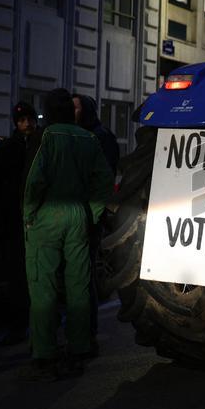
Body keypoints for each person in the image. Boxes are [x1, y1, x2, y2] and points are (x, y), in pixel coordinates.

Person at [21, 89, 113, 381]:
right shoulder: (88, 139)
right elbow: (104, 181)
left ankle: (45, 355)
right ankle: (79, 348)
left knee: (43, 287)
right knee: (78, 286)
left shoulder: (46, 138)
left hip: (47, 217)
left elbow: (34, 181)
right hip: (78, 217)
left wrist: (29, 217)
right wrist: (93, 213)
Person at [71, 93, 118, 352]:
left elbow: (103, 178)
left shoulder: (100, 136)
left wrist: (93, 213)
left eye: (76, 108)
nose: (72, 112)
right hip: (75, 213)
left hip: (89, 216)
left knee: (83, 275)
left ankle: (87, 333)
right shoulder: (75, 135)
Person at [0, 102, 40, 344]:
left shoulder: (39, 144)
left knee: (35, 277)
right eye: (22, 120)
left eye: (29, 119)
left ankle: (34, 325)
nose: (27, 124)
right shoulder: (9, 147)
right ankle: (19, 326)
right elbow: (0, 184)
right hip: (13, 222)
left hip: (34, 220)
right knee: (17, 279)